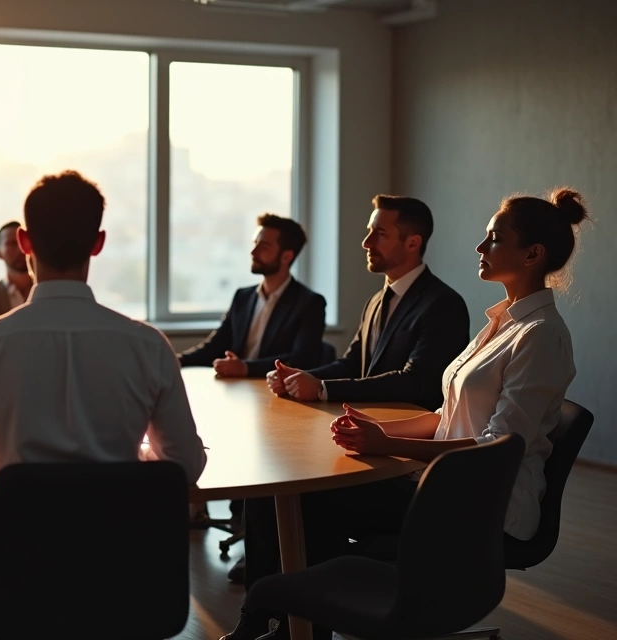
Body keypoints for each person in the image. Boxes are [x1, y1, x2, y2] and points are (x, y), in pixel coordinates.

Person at [224, 188, 588, 640]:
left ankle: (292, 628)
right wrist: (377, 429)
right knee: (276, 494)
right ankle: (274, 622)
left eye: (493, 238)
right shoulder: (500, 322)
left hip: (479, 506)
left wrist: (389, 444)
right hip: (438, 487)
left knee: (304, 501)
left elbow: (498, 445)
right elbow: (446, 414)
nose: (479, 247)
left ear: (533, 254)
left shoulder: (540, 335)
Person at [0, 171, 207, 635]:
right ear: (97, 243)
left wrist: (11, 465)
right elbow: (185, 466)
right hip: (127, 576)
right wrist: (132, 459)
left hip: (21, 578)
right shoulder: (147, 346)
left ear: (24, 241)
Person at [267, 195, 470, 411]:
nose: (366, 243)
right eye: (369, 231)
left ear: (413, 243)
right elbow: (352, 365)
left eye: (380, 234)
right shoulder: (375, 301)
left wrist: (322, 388)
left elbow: (416, 382)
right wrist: (298, 378)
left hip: (409, 435)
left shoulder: (445, 305)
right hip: (367, 425)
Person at [179, 213, 326, 377]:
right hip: (237, 391)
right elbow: (215, 346)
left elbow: (302, 360)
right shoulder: (243, 297)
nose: (253, 252)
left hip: (275, 394)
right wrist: (179, 360)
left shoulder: (310, 303)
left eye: (264, 246)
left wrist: (245, 368)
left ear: (286, 256)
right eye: (254, 243)